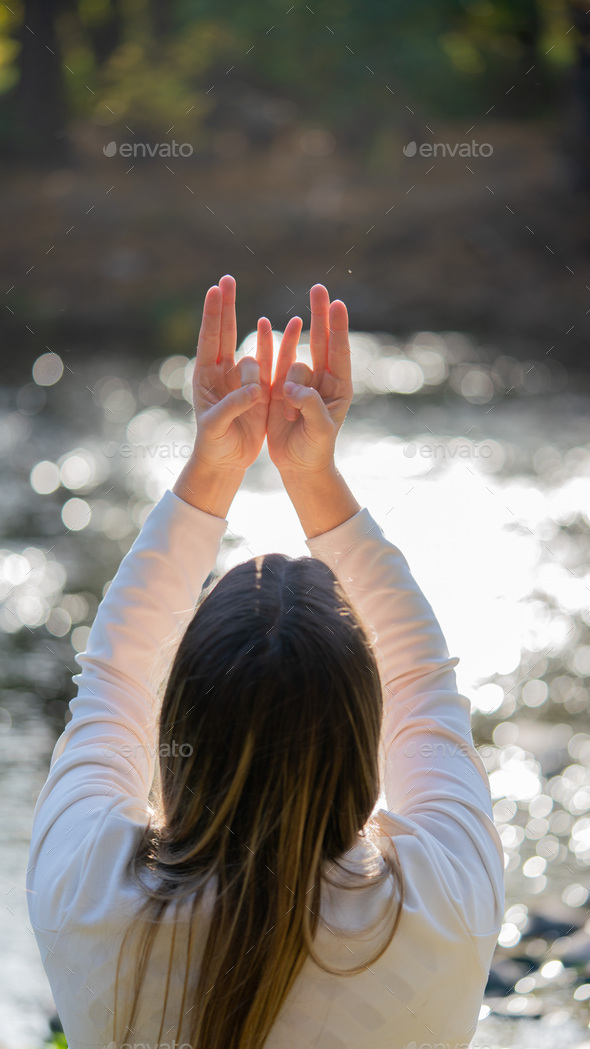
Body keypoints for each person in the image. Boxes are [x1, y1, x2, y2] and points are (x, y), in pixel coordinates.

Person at [26, 275, 505, 1049]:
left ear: (178, 728)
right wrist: (315, 477)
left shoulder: (87, 893)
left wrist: (212, 468)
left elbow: (111, 684)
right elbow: (423, 681)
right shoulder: (443, 904)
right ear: (361, 739)